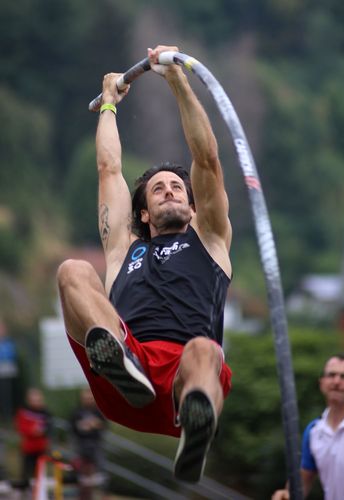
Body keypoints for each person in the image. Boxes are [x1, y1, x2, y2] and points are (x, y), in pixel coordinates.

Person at [57, 44, 232, 484]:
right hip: (125, 377)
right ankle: (116, 355)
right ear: (143, 215)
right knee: (73, 272)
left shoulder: (209, 239)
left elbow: (207, 160)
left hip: (184, 379)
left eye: (178, 187)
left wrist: (177, 80)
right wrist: (109, 107)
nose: (171, 191)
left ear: (194, 208)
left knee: (204, 350)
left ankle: (197, 426)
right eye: (159, 190)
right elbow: (108, 169)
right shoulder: (123, 250)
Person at [272, 354, 344, 500]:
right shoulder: (314, 431)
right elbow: (303, 480)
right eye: (331, 375)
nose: (336, 381)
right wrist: (288, 495)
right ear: (322, 382)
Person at [70, 387, 108, 499]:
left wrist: (94, 425)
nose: (88, 399)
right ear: (81, 398)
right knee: (80, 472)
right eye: (85, 397)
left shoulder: (99, 411)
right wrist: (84, 426)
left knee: (101, 471)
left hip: (96, 445)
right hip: (80, 445)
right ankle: (81, 495)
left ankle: (104, 494)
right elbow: (73, 427)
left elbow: (104, 425)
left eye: (90, 397)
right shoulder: (76, 412)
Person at [15, 387, 53, 486]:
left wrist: (45, 436)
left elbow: (49, 428)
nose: (36, 402)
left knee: (41, 473)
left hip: (42, 448)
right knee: (26, 474)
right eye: (34, 400)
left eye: (38, 400)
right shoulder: (23, 412)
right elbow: (21, 428)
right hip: (28, 449)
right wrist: (32, 431)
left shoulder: (45, 412)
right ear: (28, 400)